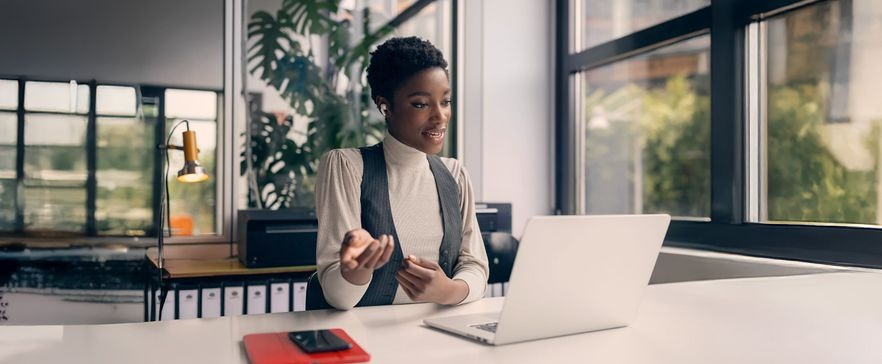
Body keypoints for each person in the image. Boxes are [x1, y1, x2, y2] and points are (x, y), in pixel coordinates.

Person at [314, 36, 489, 310]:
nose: (440, 116)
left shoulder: (455, 174)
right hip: (366, 339)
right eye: (421, 104)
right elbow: (338, 299)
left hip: (440, 334)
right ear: (385, 106)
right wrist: (357, 269)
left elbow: (475, 265)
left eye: (445, 101)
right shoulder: (346, 166)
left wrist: (448, 291)